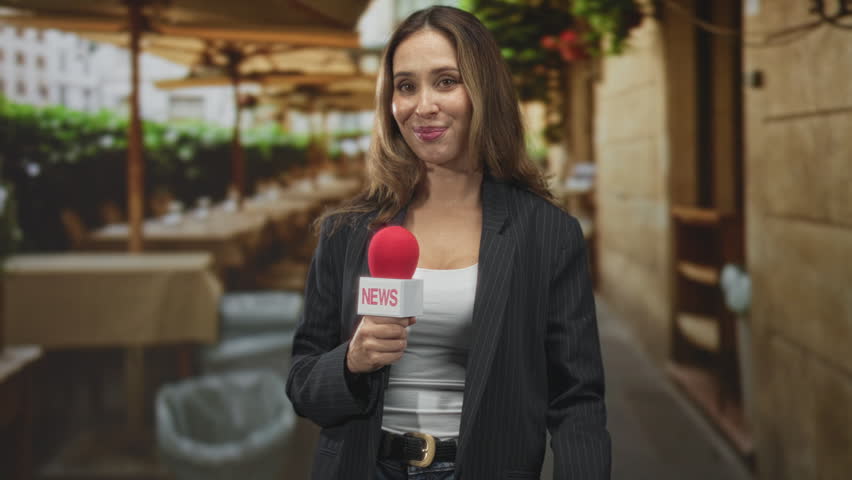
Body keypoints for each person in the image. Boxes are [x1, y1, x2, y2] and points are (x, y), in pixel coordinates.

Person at [286, 6, 610, 479]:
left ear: (484, 91)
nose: (423, 106)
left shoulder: (548, 234)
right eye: (405, 86)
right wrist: (351, 361)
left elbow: (577, 400)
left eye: (446, 81)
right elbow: (302, 386)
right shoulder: (345, 232)